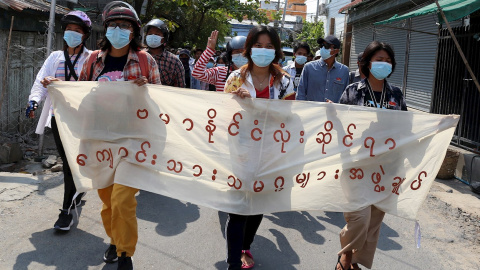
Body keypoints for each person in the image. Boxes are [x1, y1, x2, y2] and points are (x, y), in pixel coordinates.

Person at [77, 2, 161, 269]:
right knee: (106, 199)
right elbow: (79, 94)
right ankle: (114, 239)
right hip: (100, 141)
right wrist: (56, 88)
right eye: (114, 25)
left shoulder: (146, 61)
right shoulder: (93, 60)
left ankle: (125, 253)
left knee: (122, 199)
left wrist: (147, 91)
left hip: (133, 142)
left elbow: (161, 104)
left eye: (125, 26)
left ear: (134, 31)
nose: (118, 30)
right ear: (105, 28)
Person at [223, 25, 295, 270]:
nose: (263, 50)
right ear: (249, 48)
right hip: (240, 152)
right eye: (258, 45)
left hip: (270, 153)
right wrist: (238, 103)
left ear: (276, 51)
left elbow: (288, 118)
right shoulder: (235, 78)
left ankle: (246, 245)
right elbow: (224, 117)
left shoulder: (285, 81)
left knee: (257, 205)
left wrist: (260, 108)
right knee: (237, 209)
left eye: (269, 46)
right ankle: (233, 261)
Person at [336, 41, 407, 270]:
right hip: (357, 164)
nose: (383, 63)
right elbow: (342, 126)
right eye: (378, 59)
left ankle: (355, 261)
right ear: (367, 62)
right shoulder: (353, 91)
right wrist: (332, 114)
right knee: (359, 218)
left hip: (386, 167)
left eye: (387, 60)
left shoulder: (396, 93)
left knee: (374, 220)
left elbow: (407, 127)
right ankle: (345, 256)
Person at [25, 10, 92, 231]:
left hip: (83, 119)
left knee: (76, 162)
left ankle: (69, 205)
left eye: (77, 30)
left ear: (84, 35)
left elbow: (95, 88)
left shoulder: (91, 59)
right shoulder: (55, 57)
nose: (71, 33)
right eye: (68, 30)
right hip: (58, 118)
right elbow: (40, 81)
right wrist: (34, 100)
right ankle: (67, 209)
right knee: (68, 164)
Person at [296, 35, 349, 103]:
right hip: (312, 113)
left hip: (334, 113)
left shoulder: (344, 71)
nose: (323, 48)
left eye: (326, 46)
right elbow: (300, 94)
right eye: (322, 45)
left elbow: (346, 98)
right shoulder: (309, 67)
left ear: (336, 51)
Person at [144, 18, 185, 87]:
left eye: (157, 34)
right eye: (150, 33)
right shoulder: (138, 57)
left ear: (164, 38)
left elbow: (180, 90)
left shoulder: (174, 62)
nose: (153, 36)